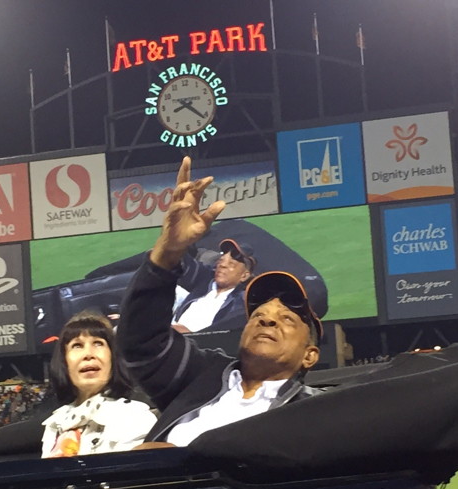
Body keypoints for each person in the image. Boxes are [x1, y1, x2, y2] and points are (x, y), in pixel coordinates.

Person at [117, 156, 323, 448]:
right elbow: (141, 343)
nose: (267, 319)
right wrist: (169, 250)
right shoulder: (203, 376)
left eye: (286, 319)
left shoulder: (318, 411)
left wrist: (176, 462)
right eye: (258, 315)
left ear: (310, 355)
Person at [41, 311, 157, 458]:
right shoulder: (55, 423)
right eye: (77, 345)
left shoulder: (134, 416)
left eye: (98, 343)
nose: (88, 354)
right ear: (64, 361)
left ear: (113, 358)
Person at [172, 238, 256, 333]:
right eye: (221, 260)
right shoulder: (204, 279)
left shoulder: (241, 303)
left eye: (231, 263)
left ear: (244, 276)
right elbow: (183, 263)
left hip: (198, 343)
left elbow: (225, 334)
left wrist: (190, 334)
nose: (222, 265)